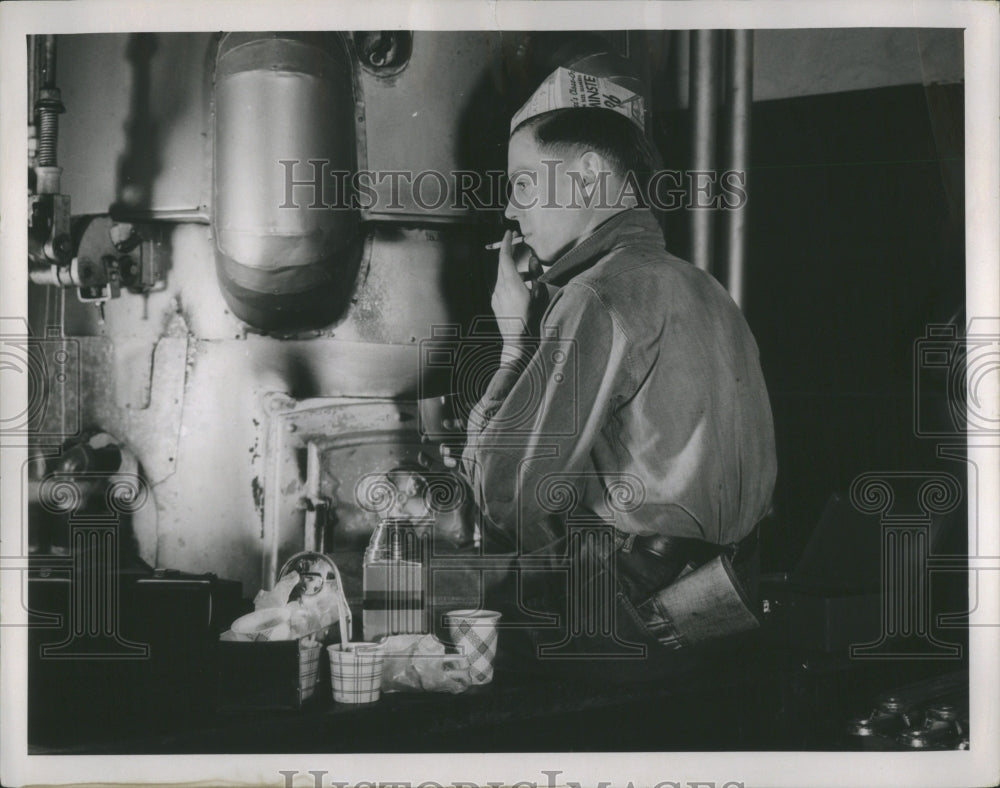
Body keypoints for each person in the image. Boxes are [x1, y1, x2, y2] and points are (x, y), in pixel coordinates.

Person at [454, 101, 777, 680]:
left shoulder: (597, 294)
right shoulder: (705, 286)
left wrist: (516, 345)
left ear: (585, 176)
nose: (509, 210)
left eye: (523, 184)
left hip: (628, 603)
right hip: (724, 596)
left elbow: (506, 489)